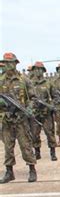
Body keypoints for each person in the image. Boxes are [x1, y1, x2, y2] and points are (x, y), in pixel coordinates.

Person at [0, 52, 38, 183]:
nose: (8, 65)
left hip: (21, 119)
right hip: (7, 119)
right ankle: (9, 172)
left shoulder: (24, 80)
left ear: (16, 64)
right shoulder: (0, 79)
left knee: (25, 145)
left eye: (10, 62)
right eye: (6, 62)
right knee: (8, 147)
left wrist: (29, 108)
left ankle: (32, 170)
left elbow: (33, 98)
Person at [30, 61, 58, 161]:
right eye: (36, 69)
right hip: (34, 113)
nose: (37, 71)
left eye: (39, 69)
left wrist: (52, 105)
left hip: (46, 113)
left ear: (43, 71)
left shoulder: (48, 83)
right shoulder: (29, 83)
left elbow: (55, 97)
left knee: (49, 133)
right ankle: (37, 152)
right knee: (34, 134)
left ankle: (53, 153)